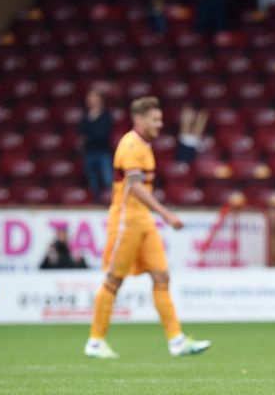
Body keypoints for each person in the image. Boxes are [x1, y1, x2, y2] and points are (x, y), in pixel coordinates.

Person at [84, 97, 210, 359]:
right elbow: (136, 186)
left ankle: (176, 341)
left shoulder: (143, 145)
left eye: (160, 118)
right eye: (155, 119)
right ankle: (95, 342)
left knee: (162, 277)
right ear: (139, 119)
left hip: (143, 223)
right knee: (114, 280)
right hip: (127, 221)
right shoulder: (130, 145)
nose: (160, 123)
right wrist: (166, 214)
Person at [79, 89, 113, 203]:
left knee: (108, 178)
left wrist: (89, 138)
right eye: (90, 99)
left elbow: (103, 133)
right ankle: (96, 201)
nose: (92, 101)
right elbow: (81, 132)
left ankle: (113, 201)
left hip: (103, 151)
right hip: (89, 152)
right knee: (93, 180)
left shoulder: (106, 115)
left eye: (94, 98)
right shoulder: (85, 116)